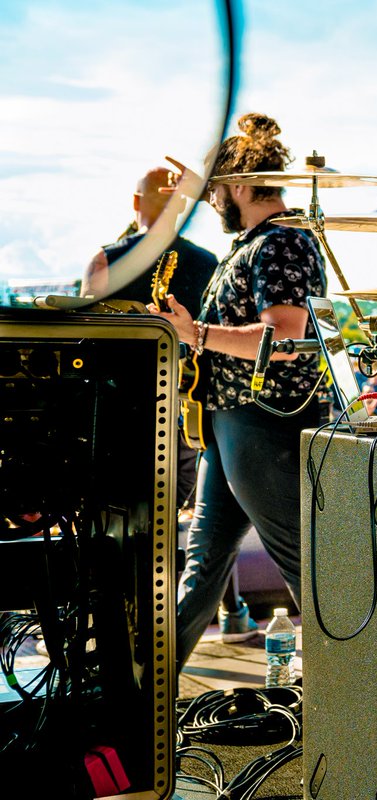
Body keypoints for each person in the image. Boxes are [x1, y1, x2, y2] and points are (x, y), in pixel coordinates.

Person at [149, 113, 326, 671]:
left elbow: (286, 332)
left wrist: (194, 333)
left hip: (263, 423)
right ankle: (145, 693)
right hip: (233, 423)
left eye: (221, 192)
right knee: (202, 564)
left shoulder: (279, 244)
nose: (214, 203)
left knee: (303, 566)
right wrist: (204, 183)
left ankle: (351, 698)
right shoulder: (256, 240)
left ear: (246, 188)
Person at [82, 167, 220, 514]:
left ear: (135, 202)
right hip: (183, 410)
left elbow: (84, 345)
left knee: (115, 518)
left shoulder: (104, 261)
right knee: (169, 517)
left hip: (117, 411)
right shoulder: (209, 263)